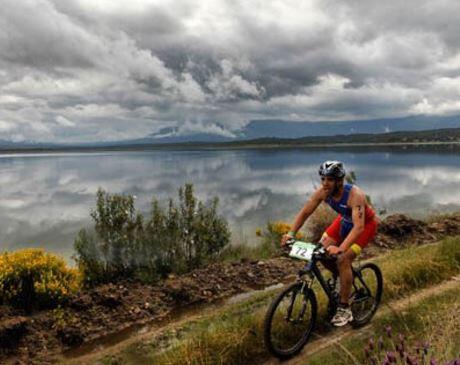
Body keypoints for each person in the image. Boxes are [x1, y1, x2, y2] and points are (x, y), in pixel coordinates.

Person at [281, 160, 377, 327]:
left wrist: (340, 249)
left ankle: (344, 307)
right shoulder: (323, 192)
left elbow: (359, 227)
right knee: (320, 252)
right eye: (323, 179)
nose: (325, 183)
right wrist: (291, 234)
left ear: (340, 181)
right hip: (344, 221)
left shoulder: (355, 195)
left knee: (343, 259)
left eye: (330, 179)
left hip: (364, 226)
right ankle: (344, 278)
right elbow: (305, 212)